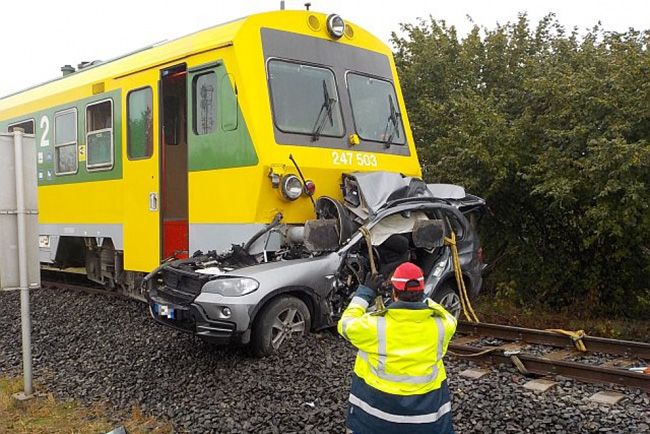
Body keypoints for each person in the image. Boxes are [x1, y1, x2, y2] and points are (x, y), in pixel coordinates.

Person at [337, 262, 457, 434]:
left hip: (375, 418)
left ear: (394, 293)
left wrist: (365, 293)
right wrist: (421, 298)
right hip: (426, 419)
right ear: (422, 291)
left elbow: (345, 325)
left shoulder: (374, 326)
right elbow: (446, 315)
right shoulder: (442, 326)